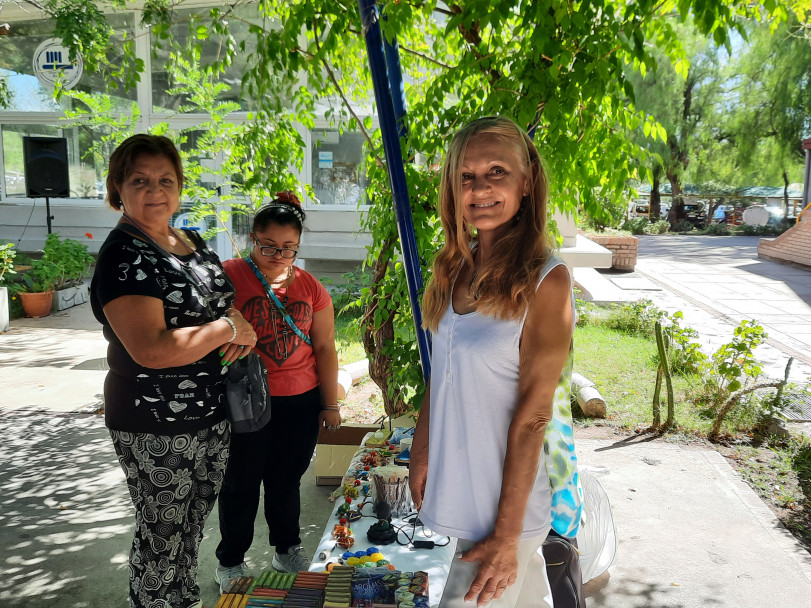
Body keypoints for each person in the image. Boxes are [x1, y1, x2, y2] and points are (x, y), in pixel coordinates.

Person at [409, 117, 582, 608]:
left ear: (526, 184)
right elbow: (440, 374)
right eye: (466, 176)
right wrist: (422, 451)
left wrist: (506, 537)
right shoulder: (454, 267)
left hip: (504, 512)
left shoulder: (547, 281)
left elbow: (534, 416)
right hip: (455, 492)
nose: (480, 188)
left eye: (496, 172)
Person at [91, 134, 258, 608]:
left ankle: (183, 600)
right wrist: (229, 327)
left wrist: (234, 328)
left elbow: (219, 309)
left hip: (211, 410)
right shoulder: (126, 256)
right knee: (161, 535)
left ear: (180, 187)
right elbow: (153, 350)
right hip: (156, 421)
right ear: (117, 187)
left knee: (189, 529)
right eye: (139, 180)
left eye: (166, 180)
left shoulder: (189, 240)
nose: (154, 190)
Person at [214, 191, 340, 589]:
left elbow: (324, 346)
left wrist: (330, 403)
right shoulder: (228, 274)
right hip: (243, 399)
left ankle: (287, 550)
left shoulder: (311, 287)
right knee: (241, 482)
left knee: (287, 479)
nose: (279, 256)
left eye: (289, 248)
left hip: (299, 400)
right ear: (253, 238)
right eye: (269, 246)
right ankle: (231, 561)